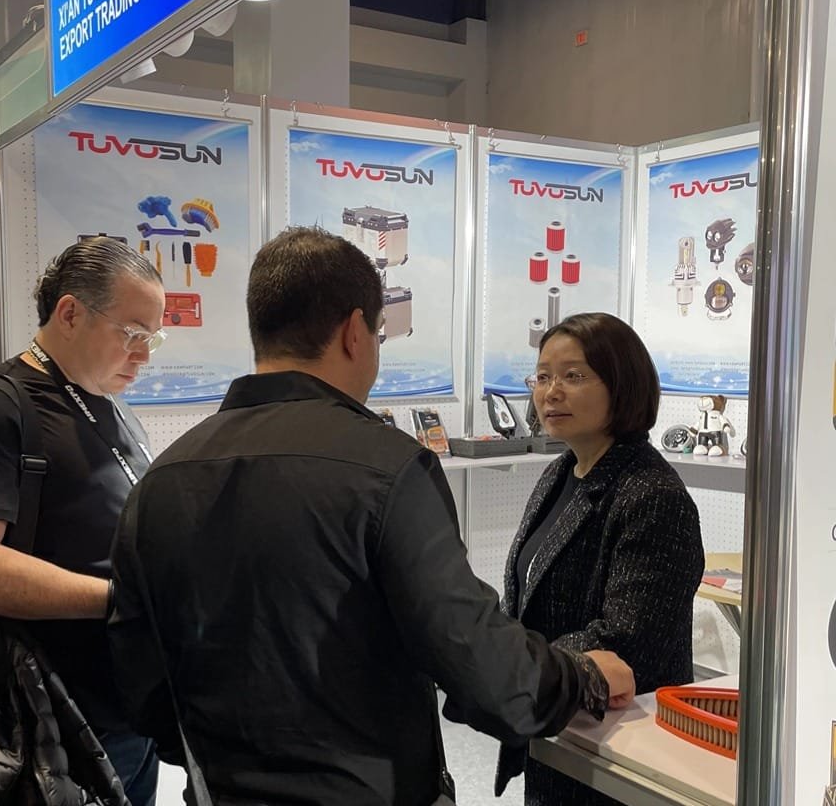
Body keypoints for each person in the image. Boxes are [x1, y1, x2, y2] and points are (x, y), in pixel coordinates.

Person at [108, 226, 635, 806]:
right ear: (355, 331)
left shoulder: (160, 480)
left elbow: (140, 680)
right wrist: (580, 678)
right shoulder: (389, 469)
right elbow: (476, 660)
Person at [0, 237, 167, 806]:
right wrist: (121, 600)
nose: (143, 356)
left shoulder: (108, 404)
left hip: (129, 706)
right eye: (132, 334)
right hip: (47, 719)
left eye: (153, 339)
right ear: (70, 313)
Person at [501, 312, 704, 806]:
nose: (551, 392)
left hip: (618, 748)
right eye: (542, 376)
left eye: (573, 376)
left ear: (622, 384)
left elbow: (629, 640)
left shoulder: (652, 495)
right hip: (558, 727)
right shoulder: (560, 473)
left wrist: (523, 669)